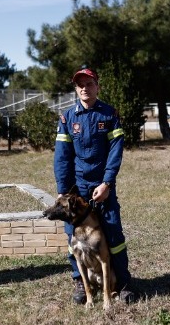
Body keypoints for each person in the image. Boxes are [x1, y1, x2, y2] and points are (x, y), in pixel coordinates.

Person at [53, 67, 135, 304]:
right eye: (80, 85)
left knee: (113, 233)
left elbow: (115, 152)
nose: (84, 89)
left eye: (89, 84)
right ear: (75, 88)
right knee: (73, 236)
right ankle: (81, 281)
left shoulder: (109, 115)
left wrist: (107, 182)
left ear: (97, 86)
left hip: (103, 186)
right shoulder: (67, 118)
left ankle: (123, 283)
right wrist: (63, 189)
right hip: (77, 189)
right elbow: (62, 156)